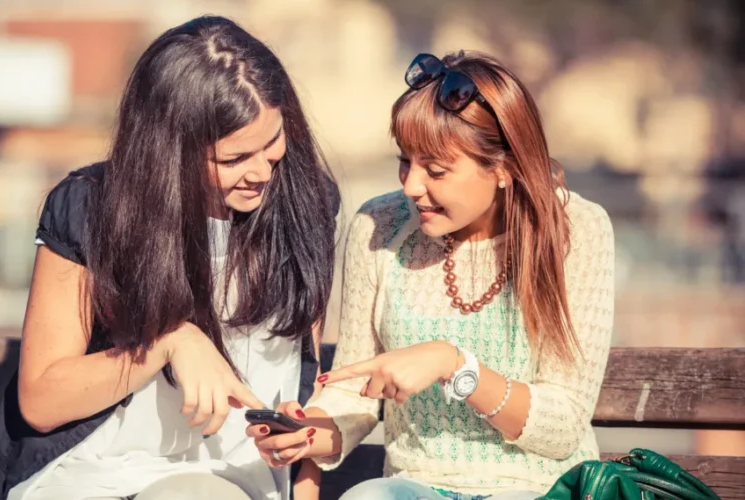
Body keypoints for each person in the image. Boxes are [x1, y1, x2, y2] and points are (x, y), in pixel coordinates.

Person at [0, 16, 339, 500]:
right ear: (169, 151)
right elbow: (42, 399)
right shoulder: (90, 209)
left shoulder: (307, 204)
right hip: (86, 472)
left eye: (272, 143)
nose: (262, 171)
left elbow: (300, 385)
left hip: (225, 480)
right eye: (233, 159)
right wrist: (167, 344)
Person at [247, 50, 615, 500]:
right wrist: (306, 433)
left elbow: (561, 426)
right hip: (414, 489)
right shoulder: (380, 226)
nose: (411, 186)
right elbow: (354, 395)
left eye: (435, 170)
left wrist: (454, 364)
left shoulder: (575, 230)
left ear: (503, 168)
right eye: (405, 161)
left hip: (541, 489)